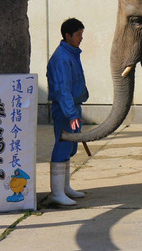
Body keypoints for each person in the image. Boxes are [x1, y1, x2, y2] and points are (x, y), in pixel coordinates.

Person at [46, 18, 89, 205]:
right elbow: (63, 89)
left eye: (81, 34)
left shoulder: (70, 54)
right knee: (63, 145)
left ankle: (65, 187)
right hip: (64, 108)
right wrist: (71, 114)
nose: (81, 38)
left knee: (70, 147)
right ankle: (56, 193)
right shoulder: (62, 58)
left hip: (72, 106)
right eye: (78, 35)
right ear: (68, 35)